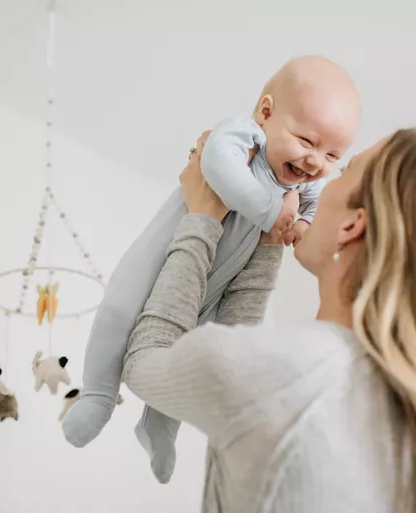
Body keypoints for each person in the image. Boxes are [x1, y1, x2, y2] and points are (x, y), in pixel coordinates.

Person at [122, 128, 416, 512]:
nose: (319, 174)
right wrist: (265, 242)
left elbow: (146, 359)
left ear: (351, 225)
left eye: (342, 169)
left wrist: (202, 217)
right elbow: (249, 372)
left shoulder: (284, 376)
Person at [62, 55, 360, 484]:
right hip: (166, 252)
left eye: (332, 153)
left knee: (191, 347)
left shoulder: (303, 184)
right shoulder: (242, 136)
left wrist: (302, 222)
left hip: (215, 283)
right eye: (307, 141)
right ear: (266, 113)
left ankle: (160, 425)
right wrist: (272, 210)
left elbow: (308, 207)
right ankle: (98, 395)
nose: (316, 161)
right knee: (119, 310)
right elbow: (217, 166)